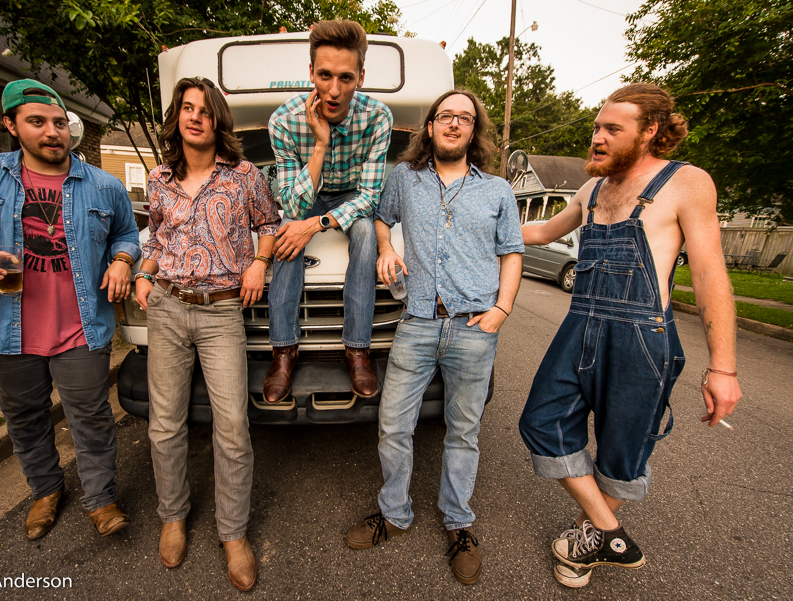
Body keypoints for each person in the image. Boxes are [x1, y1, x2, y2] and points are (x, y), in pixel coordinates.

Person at [518, 83, 743, 588]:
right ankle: (609, 531)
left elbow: (710, 274)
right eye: (596, 127)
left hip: (643, 337)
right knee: (540, 421)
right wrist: (471, 230)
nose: (596, 137)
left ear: (651, 132)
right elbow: (540, 233)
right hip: (580, 327)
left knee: (621, 453)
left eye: (610, 130)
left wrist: (722, 367)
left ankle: (585, 540)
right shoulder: (591, 189)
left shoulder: (686, 183)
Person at [0, 79, 140, 540]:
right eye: (37, 122)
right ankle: (46, 491)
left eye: (59, 123)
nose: (53, 132)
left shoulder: (104, 185)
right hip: (3, 328)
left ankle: (101, 500)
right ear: (11, 125)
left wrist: (124, 261)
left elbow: (127, 234)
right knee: (26, 417)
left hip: (81, 328)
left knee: (90, 418)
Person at [345, 89, 524, 585]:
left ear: (473, 130)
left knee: (463, 432)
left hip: (474, 328)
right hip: (418, 323)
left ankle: (458, 523)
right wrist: (384, 248)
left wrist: (502, 310)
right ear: (430, 126)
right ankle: (395, 514)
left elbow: (512, 252)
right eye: (445, 116)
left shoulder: (497, 191)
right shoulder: (405, 178)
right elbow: (381, 218)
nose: (453, 124)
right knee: (393, 426)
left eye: (464, 118)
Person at [133, 77, 279, 590]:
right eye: (186, 108)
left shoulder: (244, 177)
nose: (195, 116)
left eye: (204, 109)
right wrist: (144, 274)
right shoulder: (158, 179)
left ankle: (233, 533)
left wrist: (260, 263)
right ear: (178, 118)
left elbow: (268, 225)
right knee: (164, 423)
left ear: (219, 120)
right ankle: (173, 517)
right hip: (168, 308)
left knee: (232, 428)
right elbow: (156, 237)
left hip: (221, 313)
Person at [263, 19, 393, 403]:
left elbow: (369, 196)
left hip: (352, 196)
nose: (333, 90)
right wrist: (319, 146)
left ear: (361, 77)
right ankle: (283, 351)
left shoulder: (378, 118)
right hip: (310, 193)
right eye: (324, 76)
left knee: (367, 231)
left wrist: (317, 225)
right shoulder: (284, 121)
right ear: (311, 73)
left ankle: (357, 350)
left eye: (345, 78)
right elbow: (293, 203)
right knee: (288, 228)